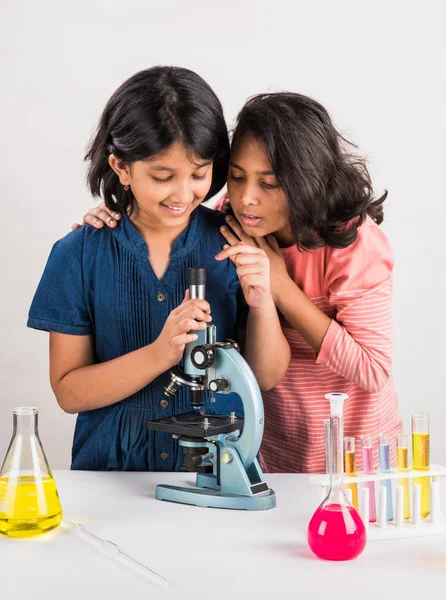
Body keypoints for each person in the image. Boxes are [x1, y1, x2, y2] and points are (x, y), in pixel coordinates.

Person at [85, 91, 402, 473]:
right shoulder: (230, 221)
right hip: (273, 450)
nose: (247, 198)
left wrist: (280, 285)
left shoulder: (352, 242)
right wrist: (116, 217)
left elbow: (372, 368)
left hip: (355, 454)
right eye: (236, 177)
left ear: (308, 180)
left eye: (269, 184)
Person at [27, 67, 290, 472]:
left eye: (200, 174)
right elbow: (69, 392)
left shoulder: (234, 242)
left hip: (214, 469)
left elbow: (265, 377)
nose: (184, 195)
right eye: (163, 177)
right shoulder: (78, 254)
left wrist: (262, 303)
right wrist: (160, 353)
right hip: (110, 475)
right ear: (121, 167)